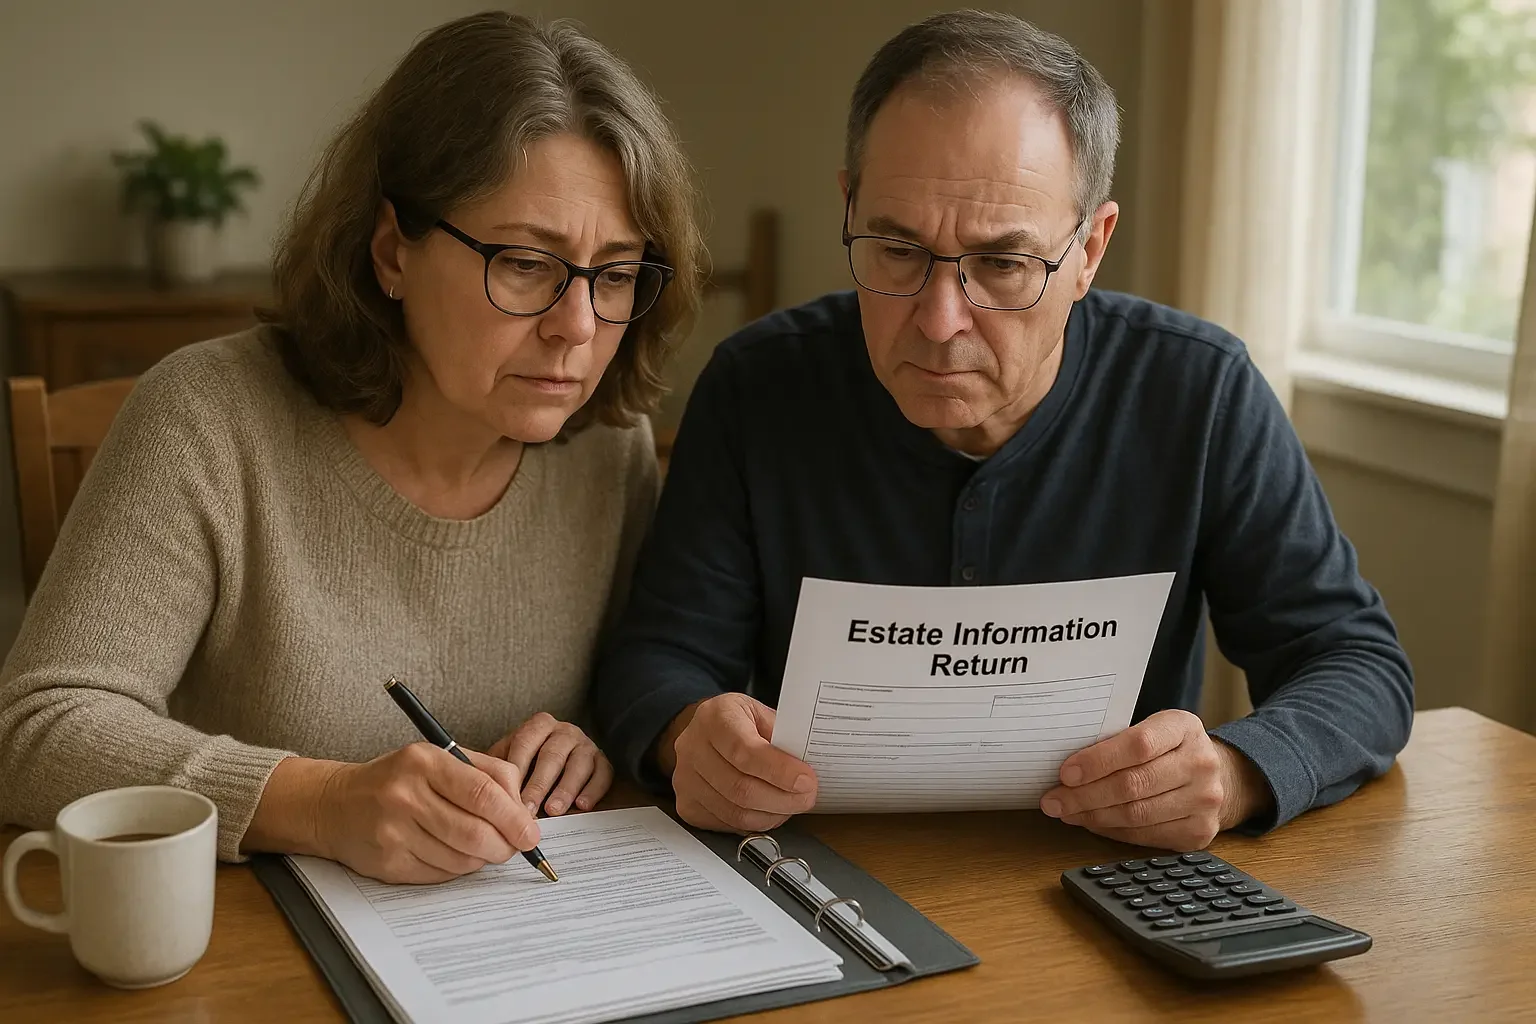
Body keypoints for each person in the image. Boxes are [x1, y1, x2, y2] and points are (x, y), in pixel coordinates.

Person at [592, 10, 1413, 852]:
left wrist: (1239, 772)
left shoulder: (1198, 391)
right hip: (827, 880)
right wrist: (691, 732)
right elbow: (655, 660)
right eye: (896, 249)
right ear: (849, 209)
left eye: (1004, 264)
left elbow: (1356, 664)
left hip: (1110, 881)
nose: (941, 321)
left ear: (1091, 249)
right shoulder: (758, 388)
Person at [0, 12, 703, 883]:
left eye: (618, 273)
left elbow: (628, 683)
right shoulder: (209, 418)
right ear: (390, 252)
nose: (578, 327)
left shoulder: (607, 446)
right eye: (526, 262)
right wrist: (322, 803)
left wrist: (589, 736)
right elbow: (38, 731)